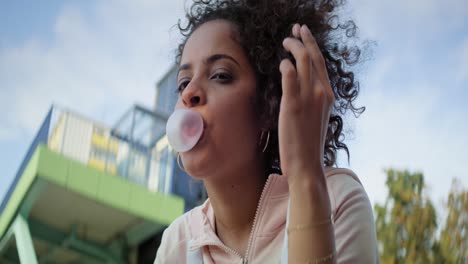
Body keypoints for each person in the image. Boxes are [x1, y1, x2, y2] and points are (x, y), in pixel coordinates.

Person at [155, 0, 378, 263]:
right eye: (183, 83)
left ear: (270, 104)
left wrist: (307, 181)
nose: (189, 93)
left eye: (220, 75)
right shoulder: (177, 243)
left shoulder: (337, 199)